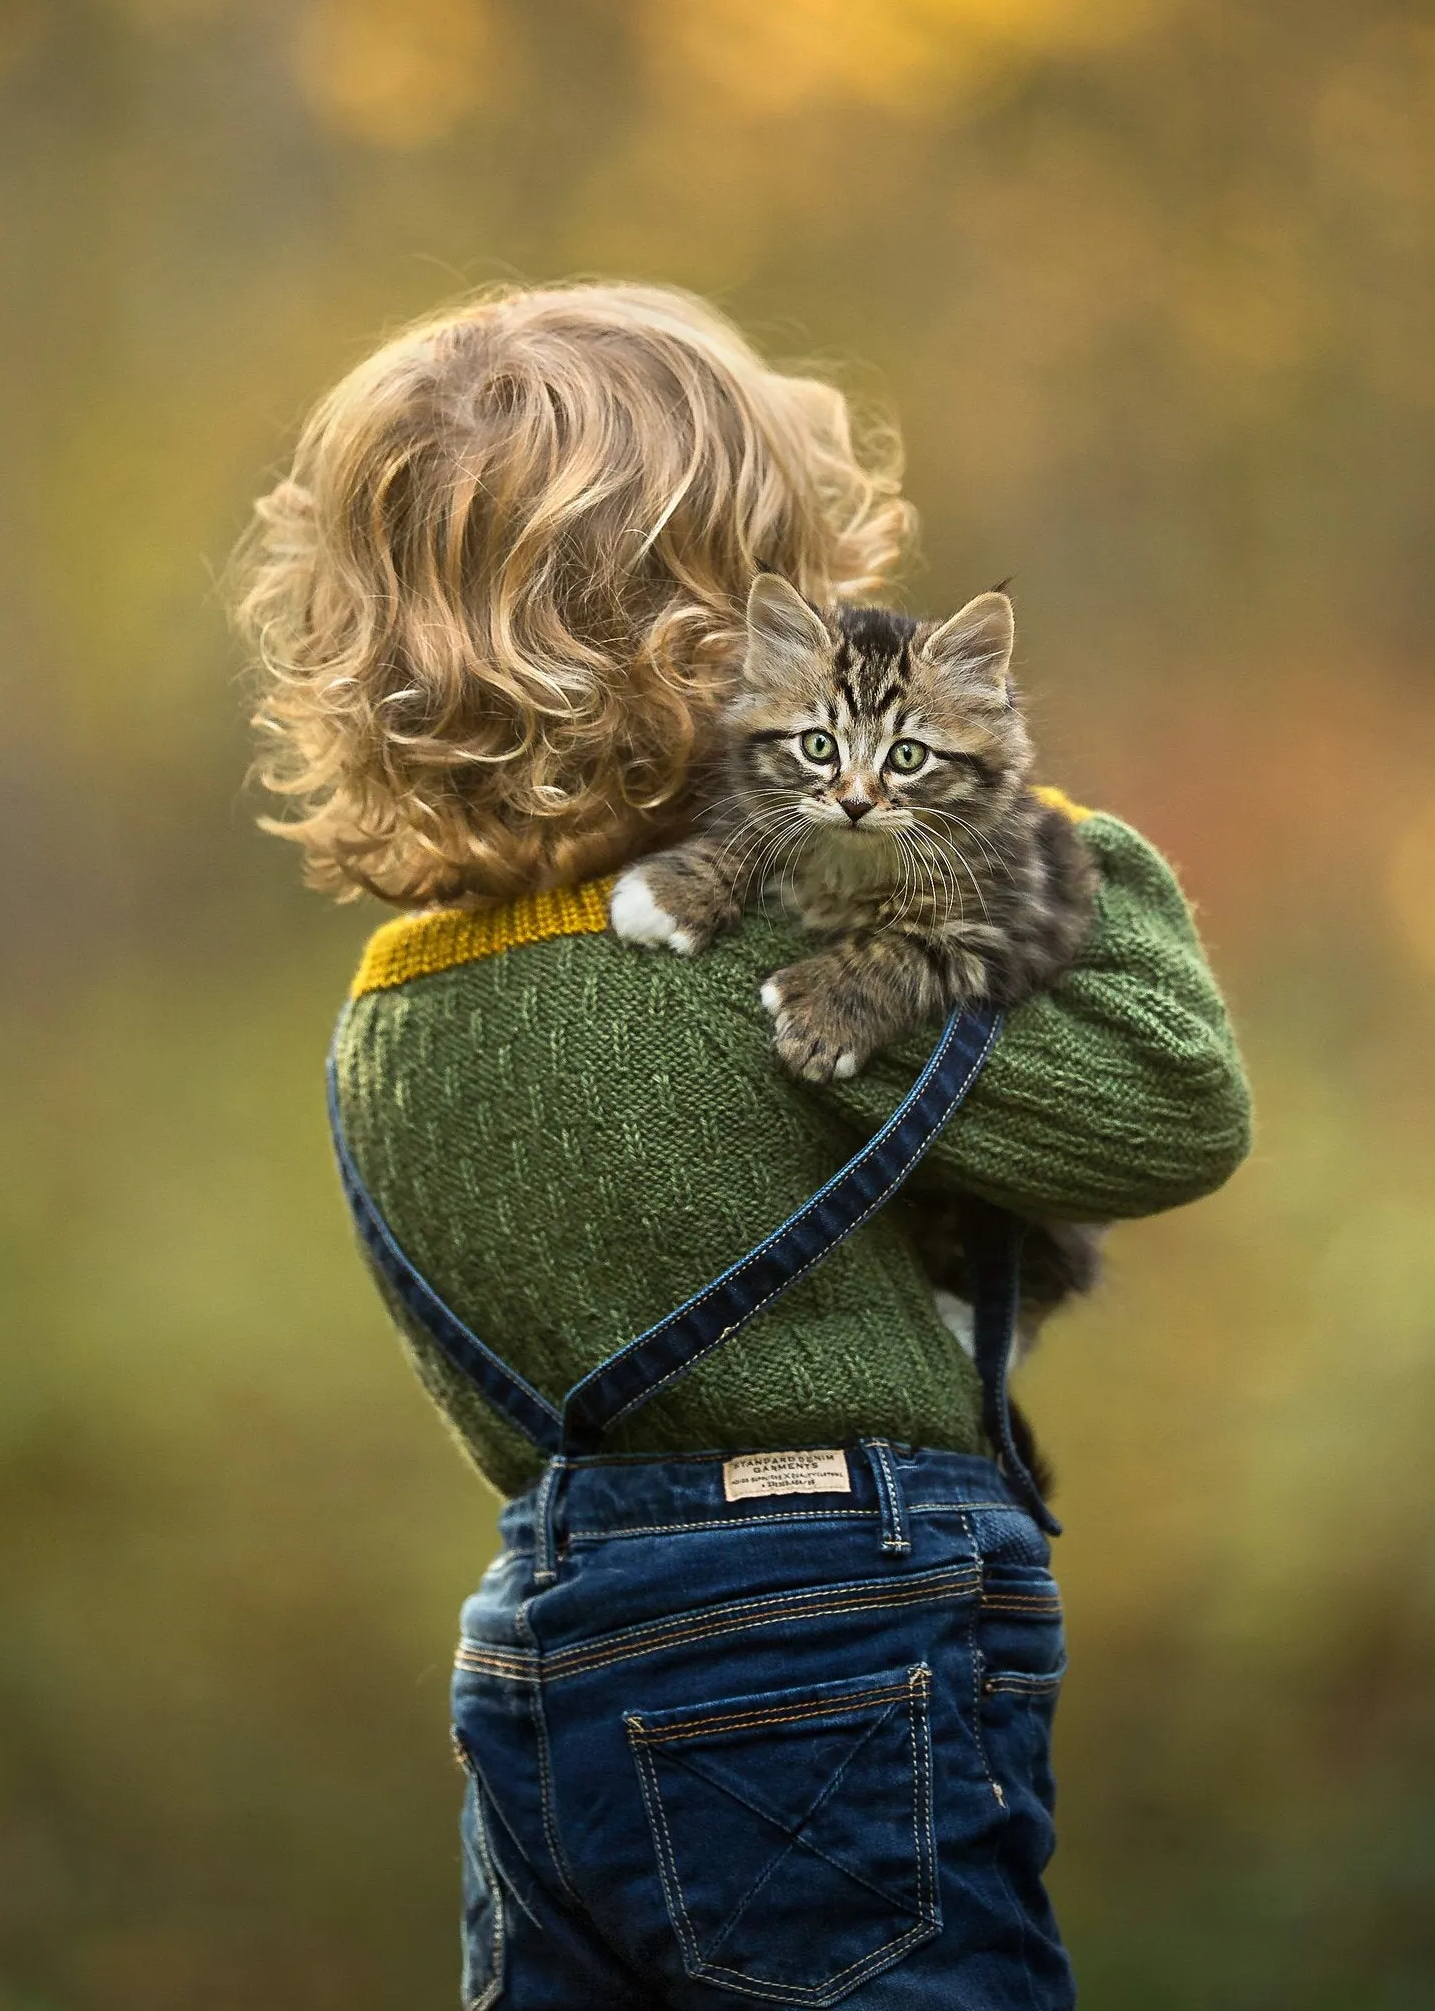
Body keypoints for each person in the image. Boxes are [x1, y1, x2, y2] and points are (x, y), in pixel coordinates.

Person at [232, 281, 1249, 2007]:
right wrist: (992, 803)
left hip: (540, 1669)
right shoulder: (772, 950)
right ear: (722, 633)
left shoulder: (394, 1013)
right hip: (827, 1655)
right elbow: (1173, 1101)